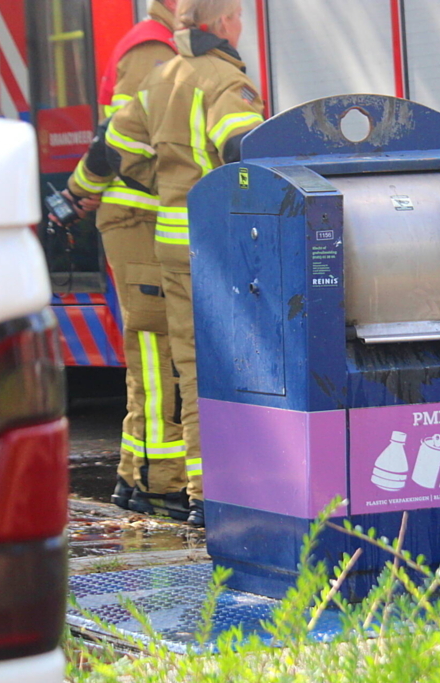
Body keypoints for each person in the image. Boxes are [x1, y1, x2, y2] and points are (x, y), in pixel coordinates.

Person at [107, 0, 265, 527]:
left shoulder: (160, 76)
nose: (242, 25)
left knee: (189, 371)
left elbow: (120, 149)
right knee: (215, 375)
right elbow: (241, 146)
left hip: (171, 249)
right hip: (215, 250)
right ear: (223, 23)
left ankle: (200, 491)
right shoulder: (222, 79)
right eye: (239, 15)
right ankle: (211, 493)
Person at [66, 0, 193, 521]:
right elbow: (128, 140)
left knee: (151, 349)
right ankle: (159, 481)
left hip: (137, 220)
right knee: (156, 346)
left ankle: (137, 474)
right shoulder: (150, 49)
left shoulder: (156, 45)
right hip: (139, 220)